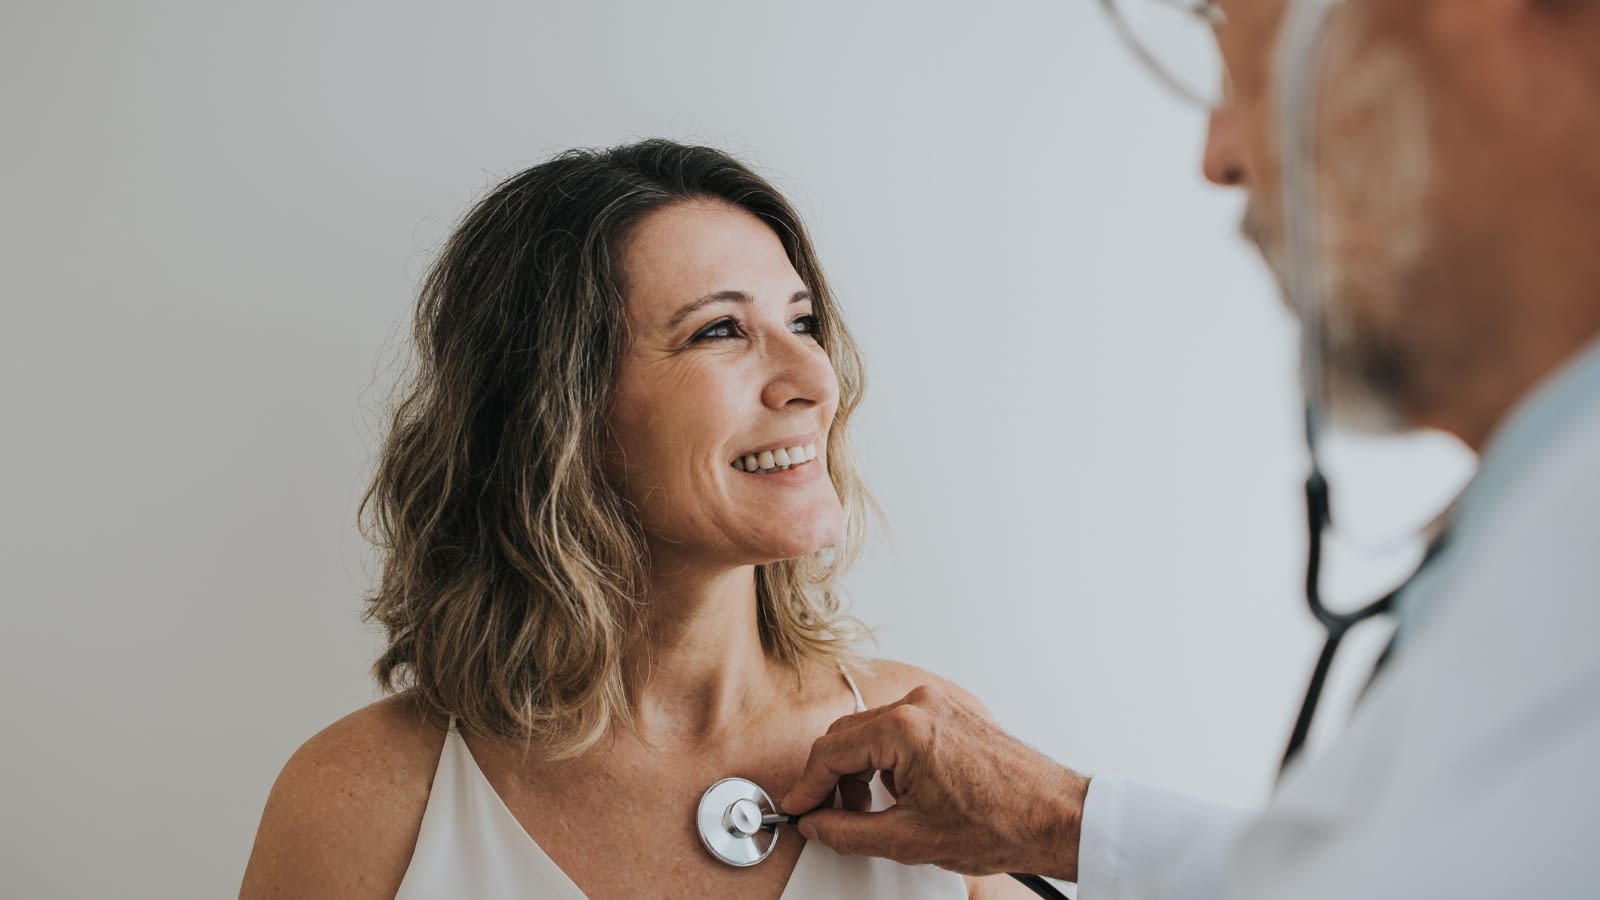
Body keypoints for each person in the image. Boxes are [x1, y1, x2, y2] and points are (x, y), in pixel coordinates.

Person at [781, 1, 1600, 897]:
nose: (1221, 155)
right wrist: (1060, 821)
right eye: (713, 332)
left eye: (1247, 66)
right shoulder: (1534, 530)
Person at [237, 140, 1034, 899]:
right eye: (720, 330)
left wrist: (1060, 826)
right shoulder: (363, 798)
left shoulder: (930, 758)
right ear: (559, 417)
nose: (813, 380)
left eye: (802, 322)